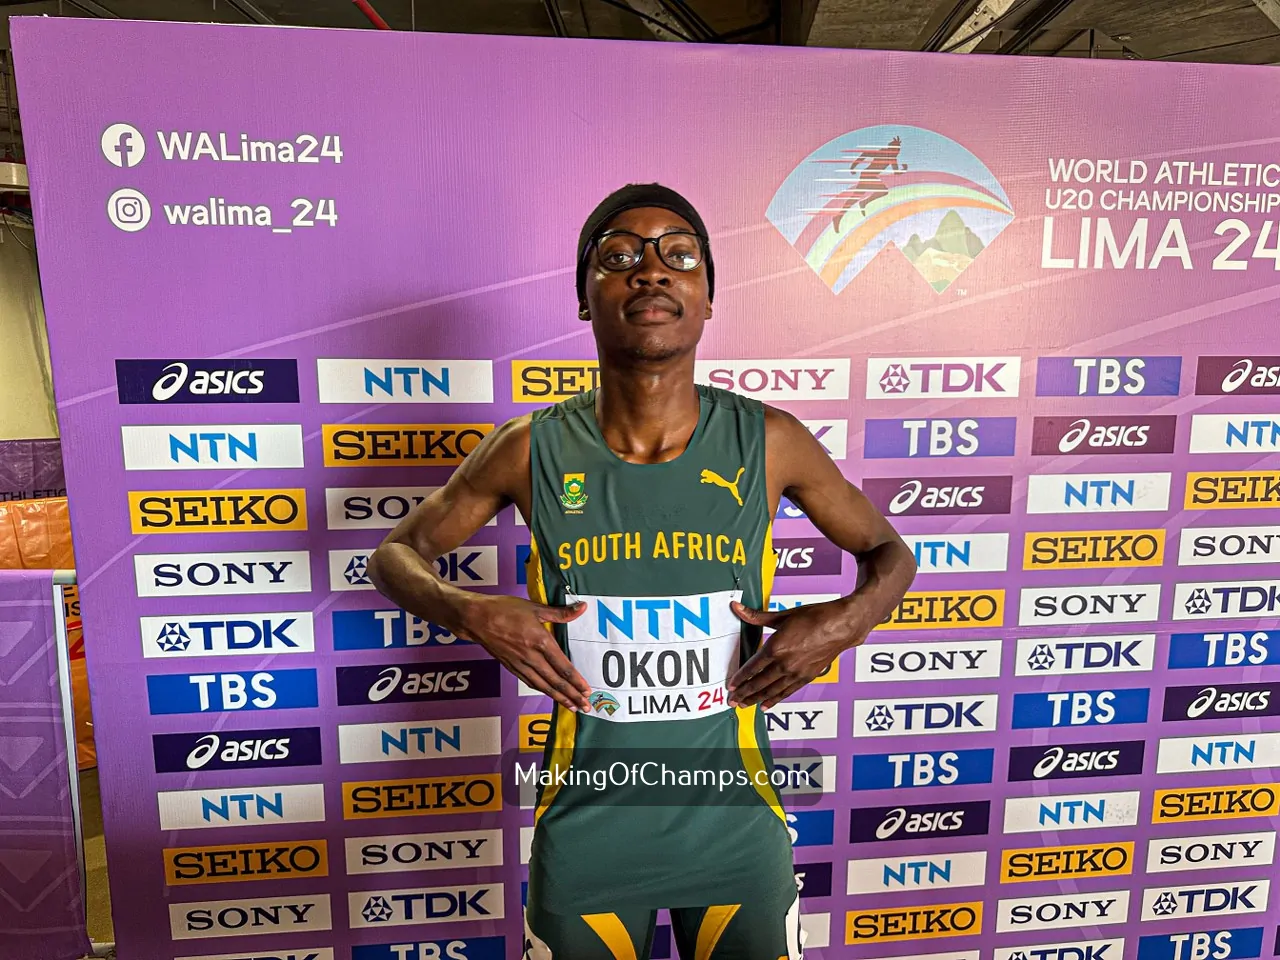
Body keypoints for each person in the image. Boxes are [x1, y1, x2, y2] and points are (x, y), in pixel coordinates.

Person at [367, 183, 917, 960]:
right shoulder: (529, 448)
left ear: (708, 298)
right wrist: (469, 610)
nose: (651, 271)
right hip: (587, 838)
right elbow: (394, 556)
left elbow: (890, 553)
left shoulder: (770, 440)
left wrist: (843, 622)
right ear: (585, 297)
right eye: (620, 255)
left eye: (679, 256)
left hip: (736, 831)